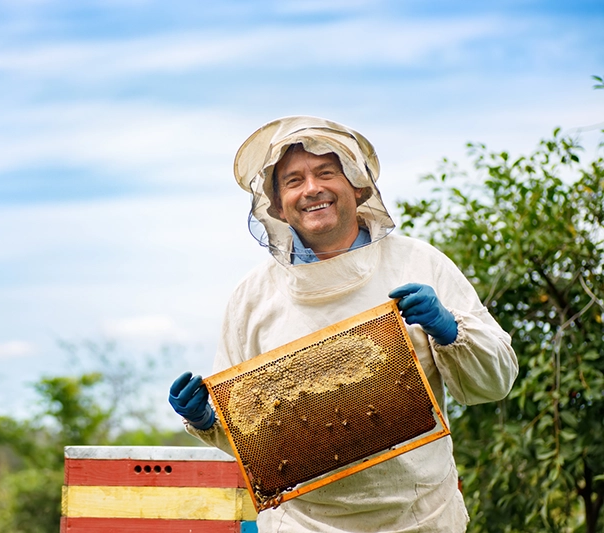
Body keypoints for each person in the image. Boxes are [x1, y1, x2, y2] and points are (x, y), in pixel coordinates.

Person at [168, 116, 518, 532]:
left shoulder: (419, 262)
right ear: (277, 204)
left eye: (325, 173)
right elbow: (255, 445)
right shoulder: (252, 297)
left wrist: (450, 330)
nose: (311, 188)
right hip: (305, 523)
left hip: (423, 516)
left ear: (358, 186)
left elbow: (494, 383)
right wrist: (209, 420)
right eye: (293, 180)